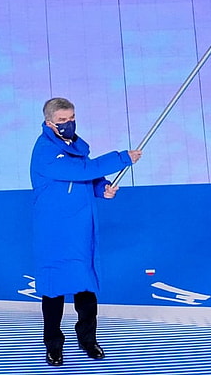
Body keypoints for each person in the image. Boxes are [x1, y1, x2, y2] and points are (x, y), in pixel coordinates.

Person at [29, 97, 142, 366]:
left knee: (85, 287)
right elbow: (80, 170)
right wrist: (122, 158)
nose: (69, 124)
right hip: (54, 229)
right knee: (54, 289)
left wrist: (101, 188)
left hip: (80, 228)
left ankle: (88, 340)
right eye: (62, 121)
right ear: (49, 123)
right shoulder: (45, 151)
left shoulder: (77, 146)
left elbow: (86, 179)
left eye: (71, 118)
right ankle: (54, 345)